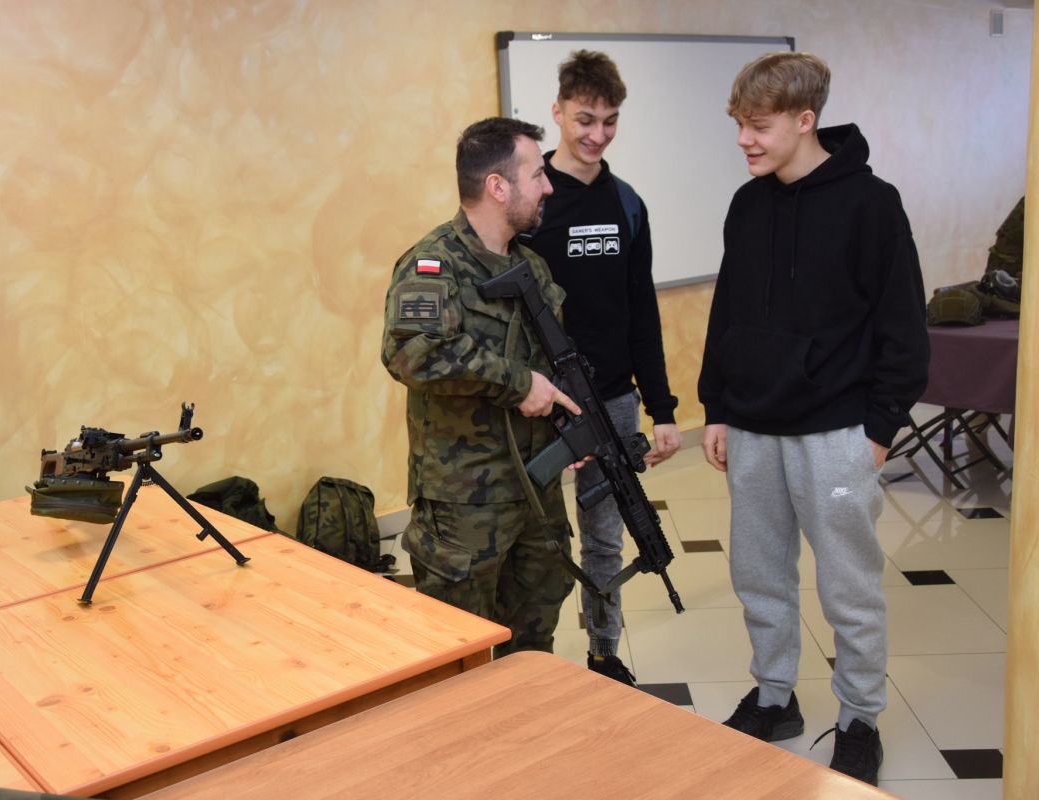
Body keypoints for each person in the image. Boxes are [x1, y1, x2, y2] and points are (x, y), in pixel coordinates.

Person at [697, 52, 929, 786]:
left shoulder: (872, 204)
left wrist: (880, 429)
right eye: (739, 125)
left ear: (805, 120)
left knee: (848, 589)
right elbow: (728, 311)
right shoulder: (747, 203)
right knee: (758, 574)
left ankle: (859, 718)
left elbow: (903, 325)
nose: (744, 140)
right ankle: (775, 698)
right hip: (753, 428)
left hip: (836, 432)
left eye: (758, 126)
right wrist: (716, 407)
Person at [381, 117, 580, 657]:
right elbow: (411, 353)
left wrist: (571, 427)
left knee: (533, 639)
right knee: (459, 651)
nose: (548, 186)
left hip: (536, 491)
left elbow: (552, 366)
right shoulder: (432, 266)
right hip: (465, 501)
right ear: (498, 186)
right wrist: (517, 384)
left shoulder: (532, 268)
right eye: (537, 175)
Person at [525, 50, 681, 687]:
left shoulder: (627, 203)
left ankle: (603, 653)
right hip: (537, 401)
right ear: (558, 112)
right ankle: (523, 657)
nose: (597, 134)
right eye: (585, 119)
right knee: (532, 538)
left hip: (612, 397)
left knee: (607, 537)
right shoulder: (532, 198)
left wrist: (662, 409)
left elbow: (642, 311)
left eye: (610, 121)